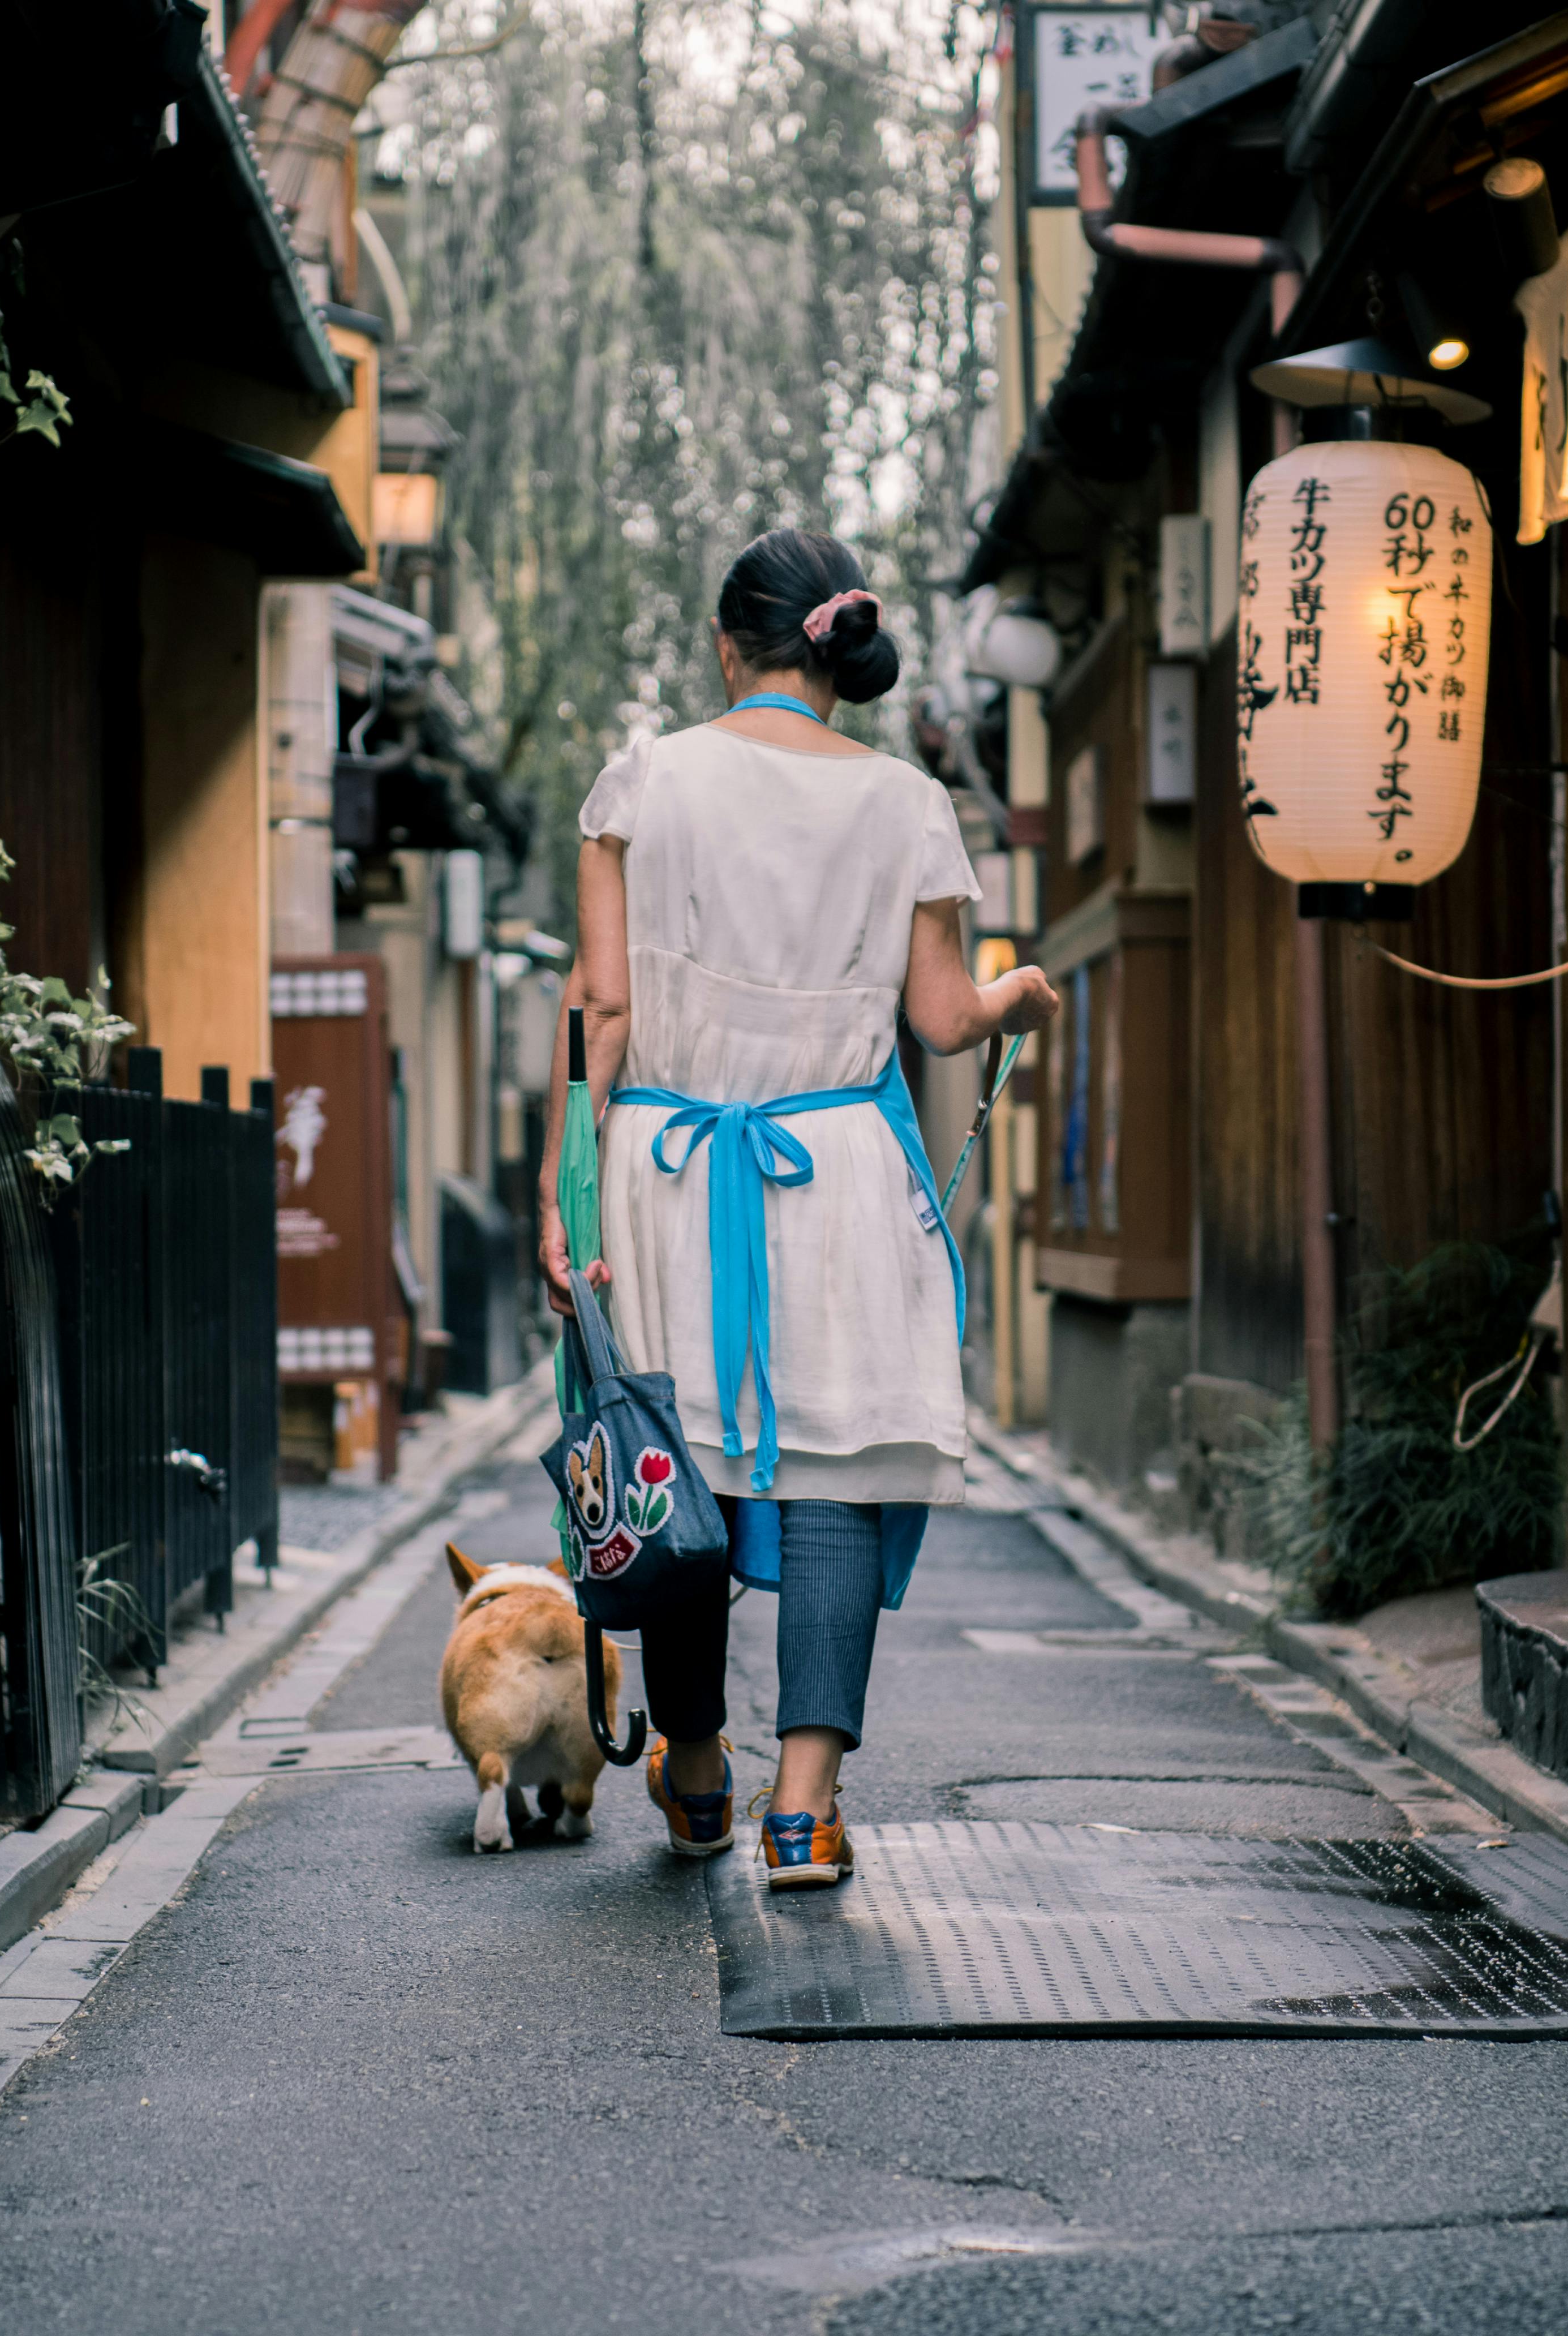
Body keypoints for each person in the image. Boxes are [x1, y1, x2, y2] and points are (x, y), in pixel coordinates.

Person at [539, 527, 1059, 1889]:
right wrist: (1023, 996)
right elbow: (945, 1020)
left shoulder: (644, 781)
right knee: (835, 1471)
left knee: (682, 1462)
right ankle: (803, 1806)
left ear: (729, 647)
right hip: (828, 1173)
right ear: (835, 657)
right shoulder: (906, 803)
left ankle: (697, 1766)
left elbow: (599, 1013)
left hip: (663, 1167)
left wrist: (564, 1194)